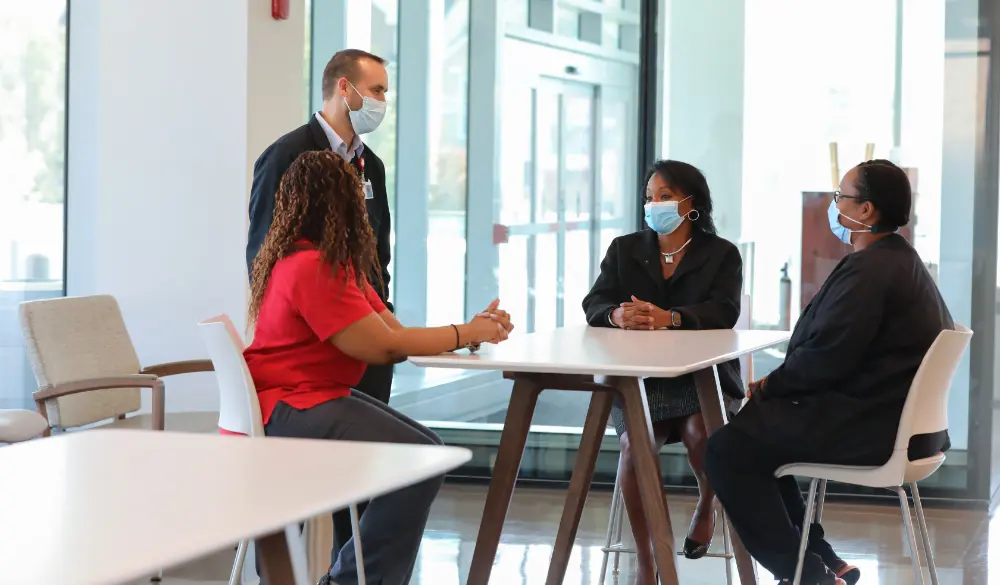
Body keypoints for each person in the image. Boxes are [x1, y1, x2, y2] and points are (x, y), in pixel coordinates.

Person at [245, 150, 514, 585]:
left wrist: (472, 331)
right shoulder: (310, 267)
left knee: (425, 450)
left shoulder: (331, 262)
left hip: (306, 396)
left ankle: (352, 578)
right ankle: (350, 582)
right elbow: (385, 348)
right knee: (420, 459)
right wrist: (468, 332)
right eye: (356, 197)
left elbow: (394, 332)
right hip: (290, 406)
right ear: (341, 204)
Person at [705, 159, 954, 585]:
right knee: (756, 434)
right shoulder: (900, 261)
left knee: (728, 450)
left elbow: (828, 356)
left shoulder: (872, 270)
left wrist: (771, 383)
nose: (835, 205)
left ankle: (807, 576)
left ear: (866, 211)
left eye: (842, 197)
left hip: (875, 429)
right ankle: (820, 560)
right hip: (898, 424)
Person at [245, 48, 396, 556]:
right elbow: (265, 256)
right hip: (310, 351)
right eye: (376, 91)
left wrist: (380, 317)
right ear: (343, 89)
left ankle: (349, 571)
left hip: (365, 336)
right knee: (310, 481)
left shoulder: (369, 164)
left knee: (367, 476)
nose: (382, 101)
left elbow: (379, 252)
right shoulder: (288, 155)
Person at [582, 160, 743, 585]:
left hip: (701, 378)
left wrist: (669, 318)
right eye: (650, 197)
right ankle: (646, 559)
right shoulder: (624, 248)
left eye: (665, 196)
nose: (655, 205)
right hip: (640, 379)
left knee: (700, 436)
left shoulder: (721, 253)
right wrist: (616, 314)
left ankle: (707, 504)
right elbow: (593, 304)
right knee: (637, 447)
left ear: (692, 202)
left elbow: (725, 312)